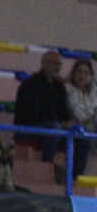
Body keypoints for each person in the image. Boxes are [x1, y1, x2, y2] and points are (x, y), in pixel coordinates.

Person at [14, 49, 76, 179]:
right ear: (43, 64)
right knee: (54, 128)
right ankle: (46, 170)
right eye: (54, 63)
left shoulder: (59, 87)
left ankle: (75, 176)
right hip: (27, 129)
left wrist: (70, 123)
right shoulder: (29, 85)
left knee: (82, 132)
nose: (57, 67)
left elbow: (63, 113)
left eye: (59, 64)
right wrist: (60, 124)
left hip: (53, 129)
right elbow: (30, 115)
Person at [67, 59, 97, 179]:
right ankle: (76, 176)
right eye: (79, 72)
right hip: (74, 127)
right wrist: (93, 112)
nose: (82, 76)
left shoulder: (94, 90)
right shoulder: (68, 90)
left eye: (86, 73)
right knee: (86, 132)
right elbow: (79, 114)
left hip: (92, 124)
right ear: (73, 74)